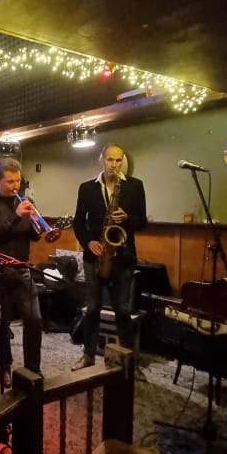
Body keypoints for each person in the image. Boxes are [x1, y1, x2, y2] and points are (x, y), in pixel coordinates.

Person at [72, 144, 147, 369]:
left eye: (118, 160)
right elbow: (78, 222)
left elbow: (142, 222)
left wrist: (127, 218)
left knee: (122, 310)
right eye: (110, 160)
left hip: (123, 257)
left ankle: (128, 361)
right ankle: (88, 356)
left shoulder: (134, 186)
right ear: (101, 160)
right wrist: (89, 242)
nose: (114, 165)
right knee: (92, 309)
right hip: (95, 257)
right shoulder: (87, 188)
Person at [0, 158, 43, 390]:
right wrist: (15, 215)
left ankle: (33, 369)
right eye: (10, 181)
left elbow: (34, 237)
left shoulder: (24, 201)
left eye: (18, 181)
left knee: (34, 318)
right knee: (1, 322)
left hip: (22, 267)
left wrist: (36, 223)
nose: (16, 186)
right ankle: (4, 366)